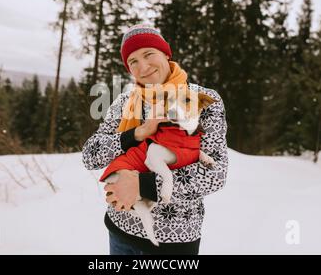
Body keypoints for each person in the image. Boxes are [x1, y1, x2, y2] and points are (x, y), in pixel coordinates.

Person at [82, 24, 228, 255]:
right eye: (133, 62)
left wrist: (142, 185)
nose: (143, 67)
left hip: (174, 241)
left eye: (148, 54)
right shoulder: (125, 102)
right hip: (121, 232)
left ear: (165, 54)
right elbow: (90, 155)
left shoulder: (202, 100)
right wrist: (136, 134)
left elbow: (214, 175)